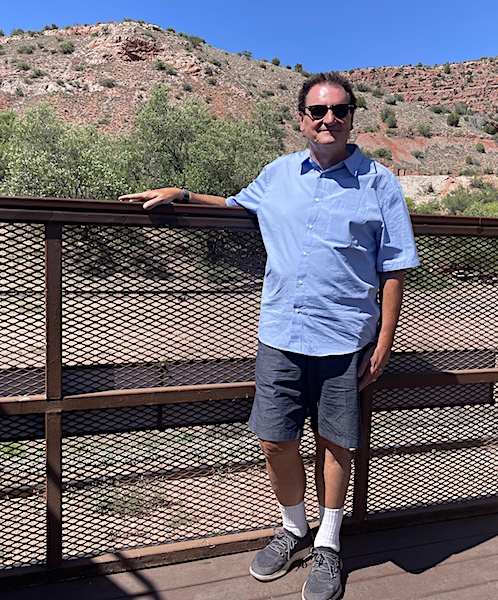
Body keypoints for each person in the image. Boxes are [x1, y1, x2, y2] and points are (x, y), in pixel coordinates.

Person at [120, 72, 419, 600]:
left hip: (346, 340)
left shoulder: (380, 183)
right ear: (301, 118)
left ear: (352, 116)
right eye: (317, 111)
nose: (328, 120)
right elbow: (237, 205)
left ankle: (328, 544)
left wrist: (385, 341)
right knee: (275, 440)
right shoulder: (279, 174)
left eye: (339, 110)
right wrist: (183, 193)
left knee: (335, 443)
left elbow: (394, 267)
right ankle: (293, 528)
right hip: (280, 334)